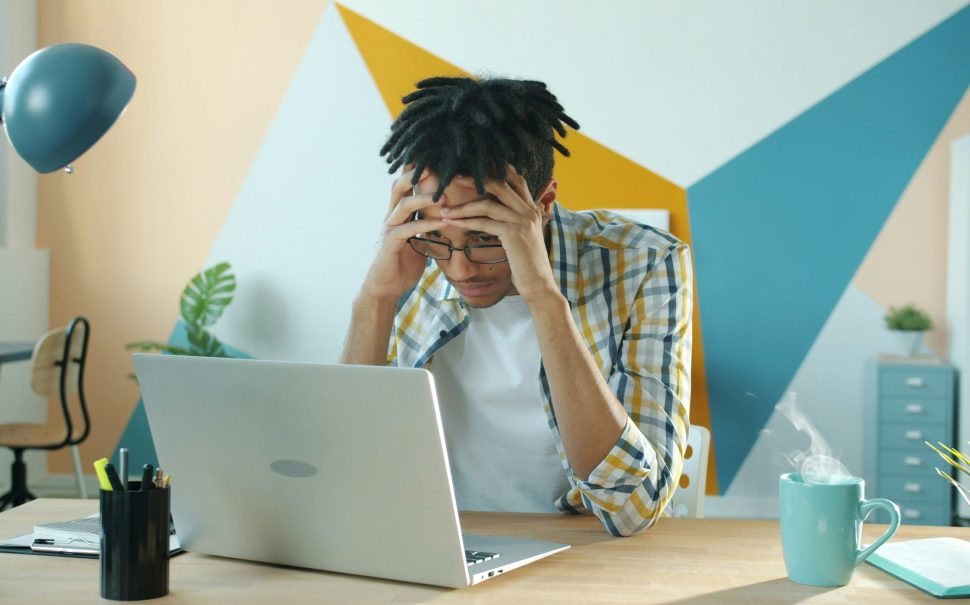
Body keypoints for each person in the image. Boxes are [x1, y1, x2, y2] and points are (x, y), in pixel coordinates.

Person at [341, 76, 692, 537]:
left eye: (486, 238)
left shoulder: (645, 262)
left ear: (543, 203)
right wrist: (377, 297)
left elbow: (633, 509)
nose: (461, 270)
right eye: (439, 239)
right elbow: (344, 470)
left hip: (583, 544)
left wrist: (543, 296)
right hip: (438, 536)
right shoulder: (412, 254)